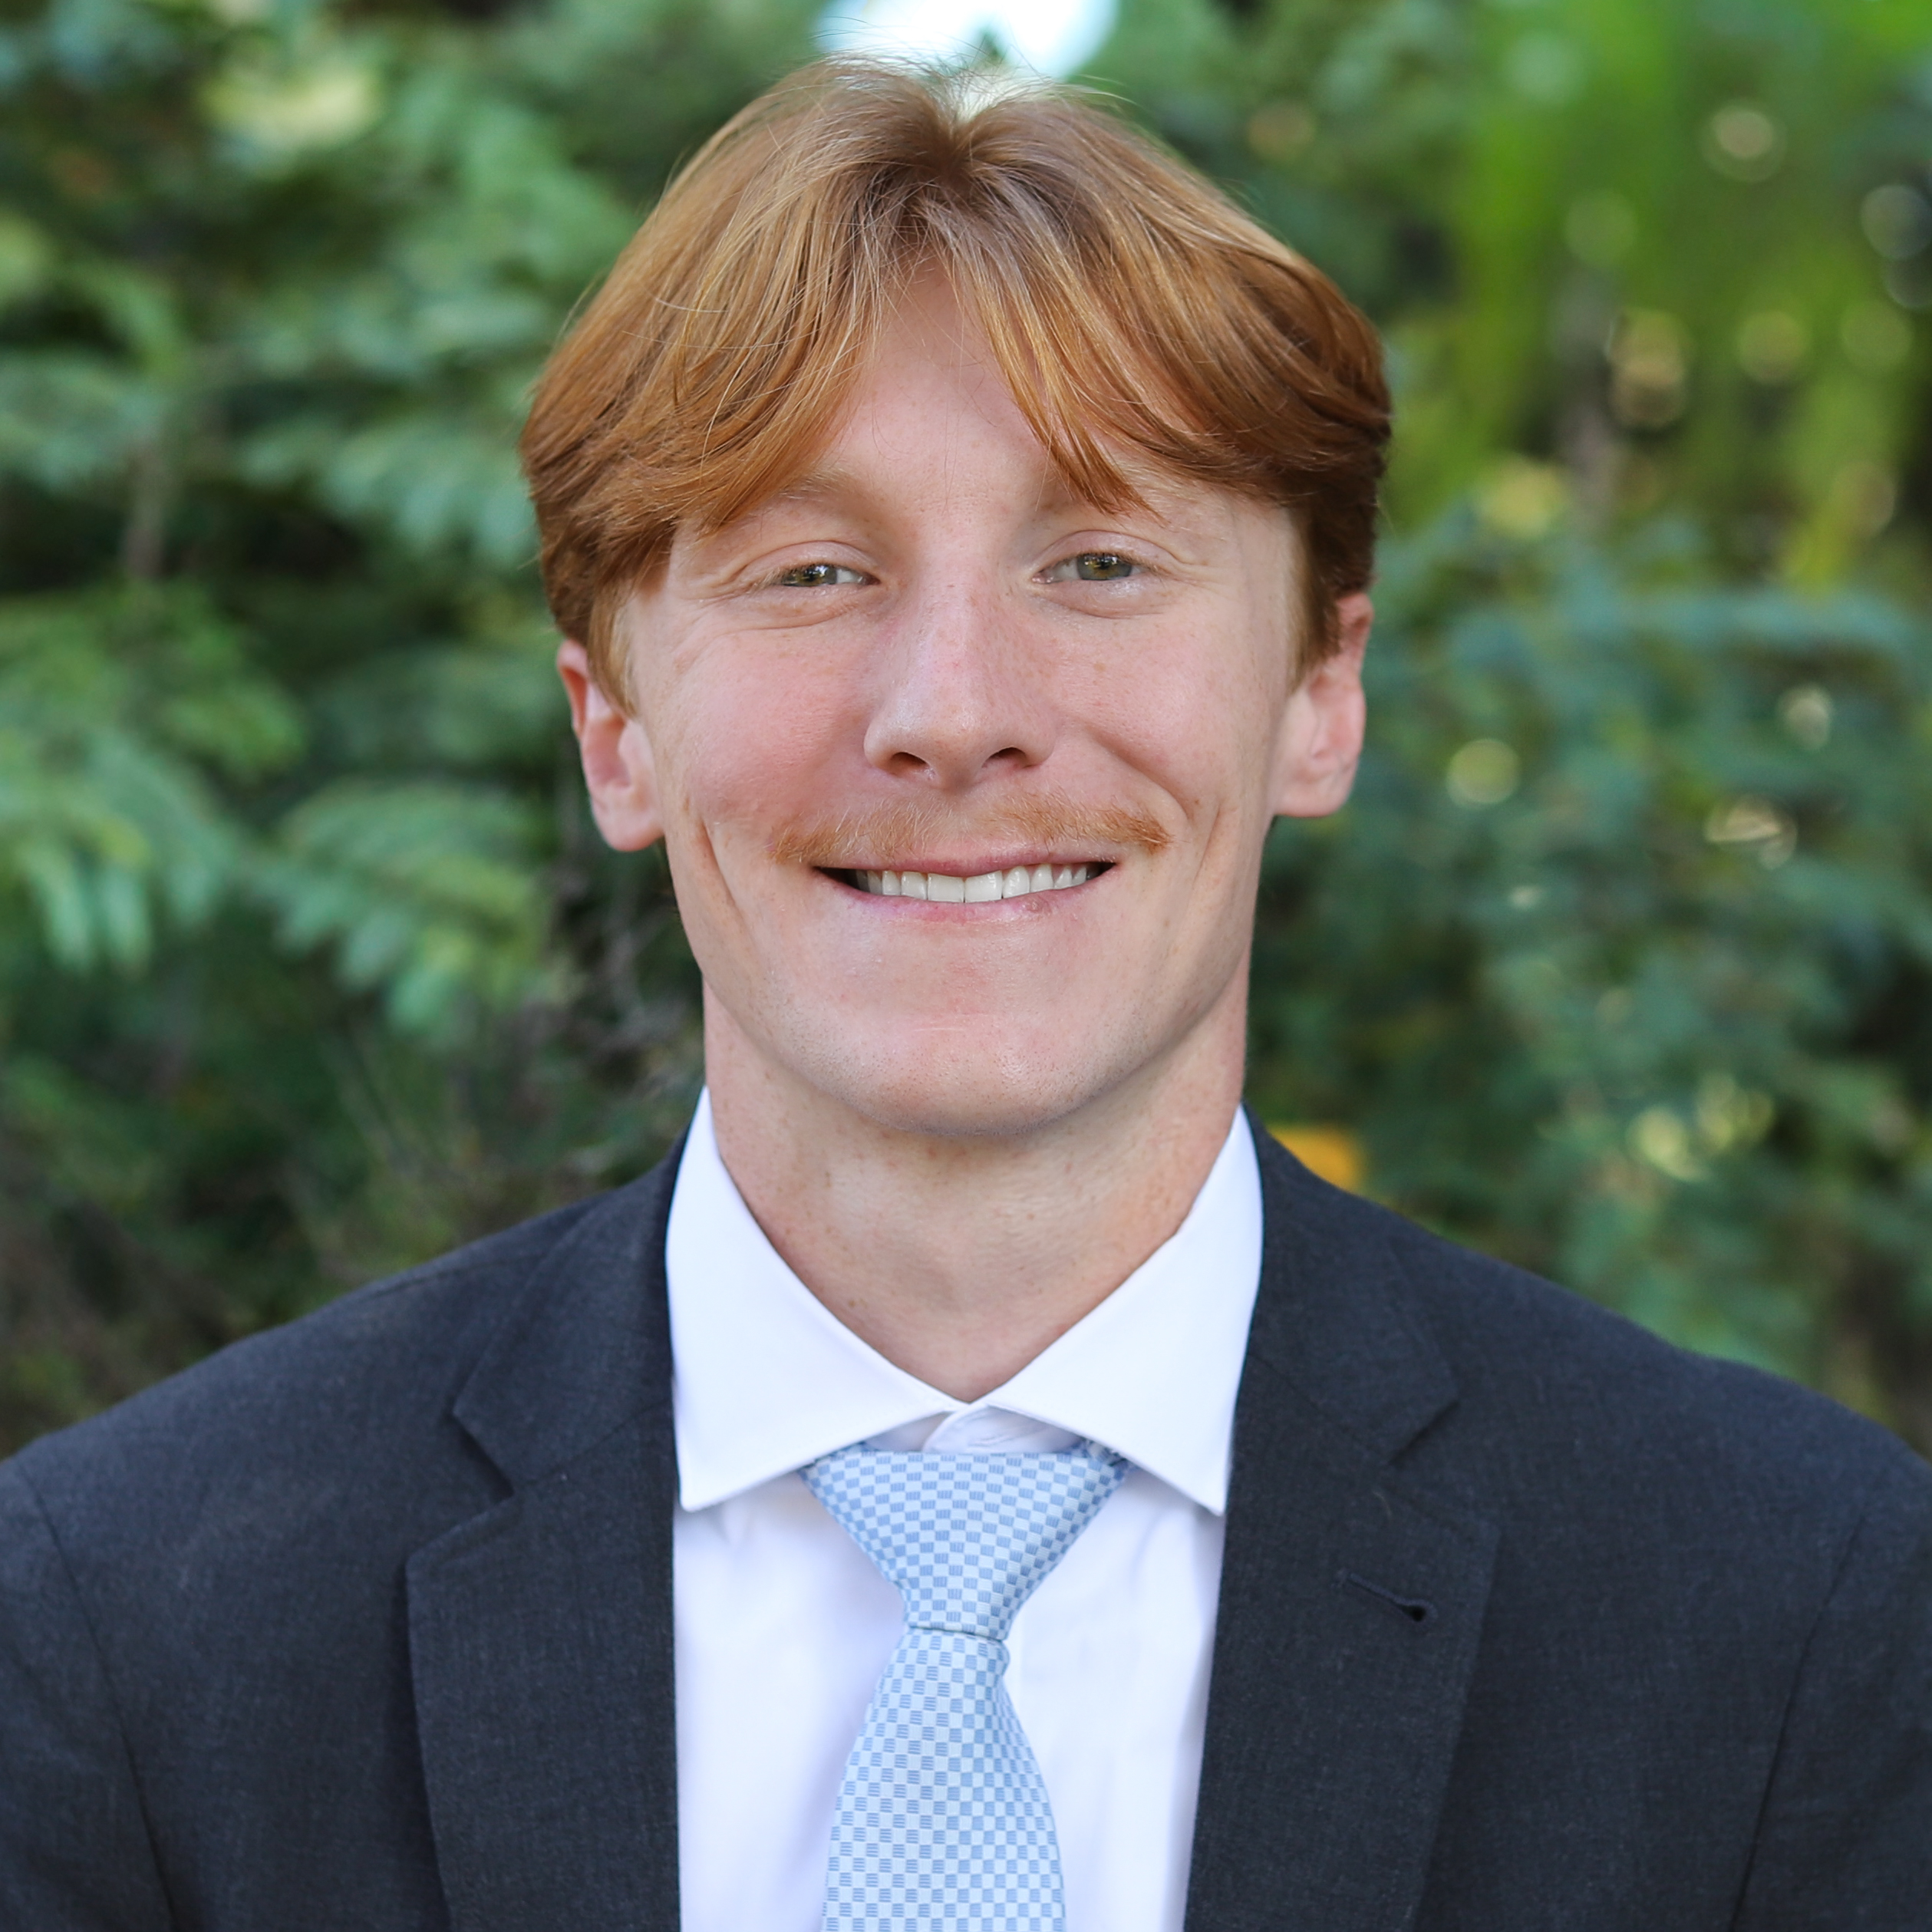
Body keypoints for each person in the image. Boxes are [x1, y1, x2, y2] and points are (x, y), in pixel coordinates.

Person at [2, 58, 1927, 1932]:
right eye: (810, 571)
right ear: (613, 727)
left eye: (1095, 560)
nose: (950, 710)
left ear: (1316, 691)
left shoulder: (1793, 1613)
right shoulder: (125, 1623)